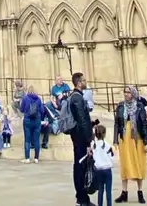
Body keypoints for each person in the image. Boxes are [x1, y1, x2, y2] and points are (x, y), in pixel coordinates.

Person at [113, 85, 147, 204]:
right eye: (125, 92)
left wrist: (146, 141)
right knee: (125, 164)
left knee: (139, 164)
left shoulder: (139, 106)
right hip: (124, 137)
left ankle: (140, 192)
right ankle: (124, 192)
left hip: (137, 137)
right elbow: (117, 124)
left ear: (133, 93)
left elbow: (143, 123)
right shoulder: (120, 106)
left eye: (128, 92)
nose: (126, 94)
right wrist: (115, 140)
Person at [68, 72, 95, 206]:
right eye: (84, 80)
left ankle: (81, 197)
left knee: (79, 166)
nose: (86, 82)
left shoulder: (75, 97)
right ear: (79, 83)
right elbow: (82, 120)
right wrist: (88, 141)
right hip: (80, 138)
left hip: (78, 136)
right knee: (81, 167)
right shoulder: (77, 98)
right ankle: (82, 198)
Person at [19, 84, 45, 164]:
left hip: (27, 120)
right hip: (37, 120)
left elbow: (22, 109)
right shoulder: (38, 99)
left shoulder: (25, 98)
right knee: (36, 140)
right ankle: (36, 158)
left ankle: (27, 158)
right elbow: (42, 110)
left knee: (27, 140)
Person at [91, 124, 114, 206]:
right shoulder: (107, 146)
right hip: (107, 169)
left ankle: (99, 204)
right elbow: (111, 157)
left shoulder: (94, 145)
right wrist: (110, 164)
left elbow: (93, 157)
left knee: (100, 190)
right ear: (104, 134)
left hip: (98, 170)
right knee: (108, 191)